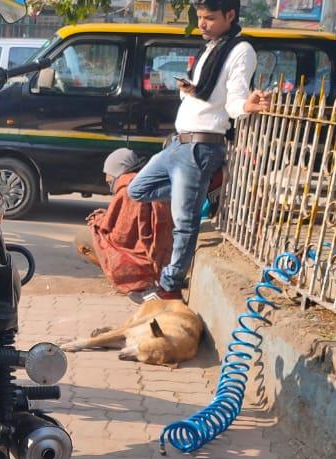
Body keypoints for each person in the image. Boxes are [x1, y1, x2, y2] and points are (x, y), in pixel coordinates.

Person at [125, 0, 269, 304]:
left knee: (184, 221)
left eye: (210, 18)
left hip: (201, 145)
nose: (203, 24)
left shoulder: (241, 50)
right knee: (137, 189)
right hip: (178, 143)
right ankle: (200, 188)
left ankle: (169, 286)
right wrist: (188, 88)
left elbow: (235, 98)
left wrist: (247, 106)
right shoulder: (211, 47)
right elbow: (204, 91)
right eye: (200, 17)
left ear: (230, 16)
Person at [74, 149, 175, 294]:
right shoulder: (147, 179)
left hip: (146, 260)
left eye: (109, 178)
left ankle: (128, 279)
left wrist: (97, 222)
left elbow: (120, 236)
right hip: (164, 256)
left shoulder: (127, 188)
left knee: (81, 239)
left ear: (117, 172)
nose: (107, 181)